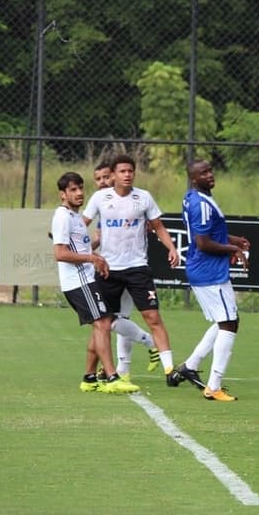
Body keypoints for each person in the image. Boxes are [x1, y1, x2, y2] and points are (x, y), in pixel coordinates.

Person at [82, 153, 180, 385]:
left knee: (153, 316)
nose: (127, 175)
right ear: (113, 175)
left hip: (137, 268)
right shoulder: (100, 198)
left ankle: (170, 370)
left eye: (130, 171)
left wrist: (172, 248)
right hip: (108, 269)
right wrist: (81, 251)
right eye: (122, 171)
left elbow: (158, 226)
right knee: (104, 322)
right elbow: (81, 225)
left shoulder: (143, 197)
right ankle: (108, 371)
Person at [168, 159, 250, 401]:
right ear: (194, 179)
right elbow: (203, 242)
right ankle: (213, 386)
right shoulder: (200, 204)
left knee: (226, 319)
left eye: (211, 170)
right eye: (204, 173)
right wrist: (231, 250)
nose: (210, 175)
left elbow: (205, 232)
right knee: (229, 323)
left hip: (205, 270)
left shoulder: (193, 196)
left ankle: (189, 366)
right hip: (209, 271)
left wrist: (232, 239)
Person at [50, 171, 138, 394]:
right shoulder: (62, 216)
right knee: (101, 324)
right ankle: (111, 377)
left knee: (103, 323)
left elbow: (84, 248)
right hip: (78, 281)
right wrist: (92, 258)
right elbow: (60, 253)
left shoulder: (76, 217)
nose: (79, 193)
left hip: (87, 278)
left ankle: (89, 378)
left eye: (80, 188)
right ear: (63, 194)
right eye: (73, 190)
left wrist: (100, 249)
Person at [90, 159, 161, 377]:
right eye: (98, 179)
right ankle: (122, 368)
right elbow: (98, 238)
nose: (102, 182)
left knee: (114, 318)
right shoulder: (103, 203)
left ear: (114, 176)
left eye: (105, 177)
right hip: (110, 268)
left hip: (131, 267)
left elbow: (151, 223)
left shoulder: (135, 199)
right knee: (112, 319)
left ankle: (144, 350)